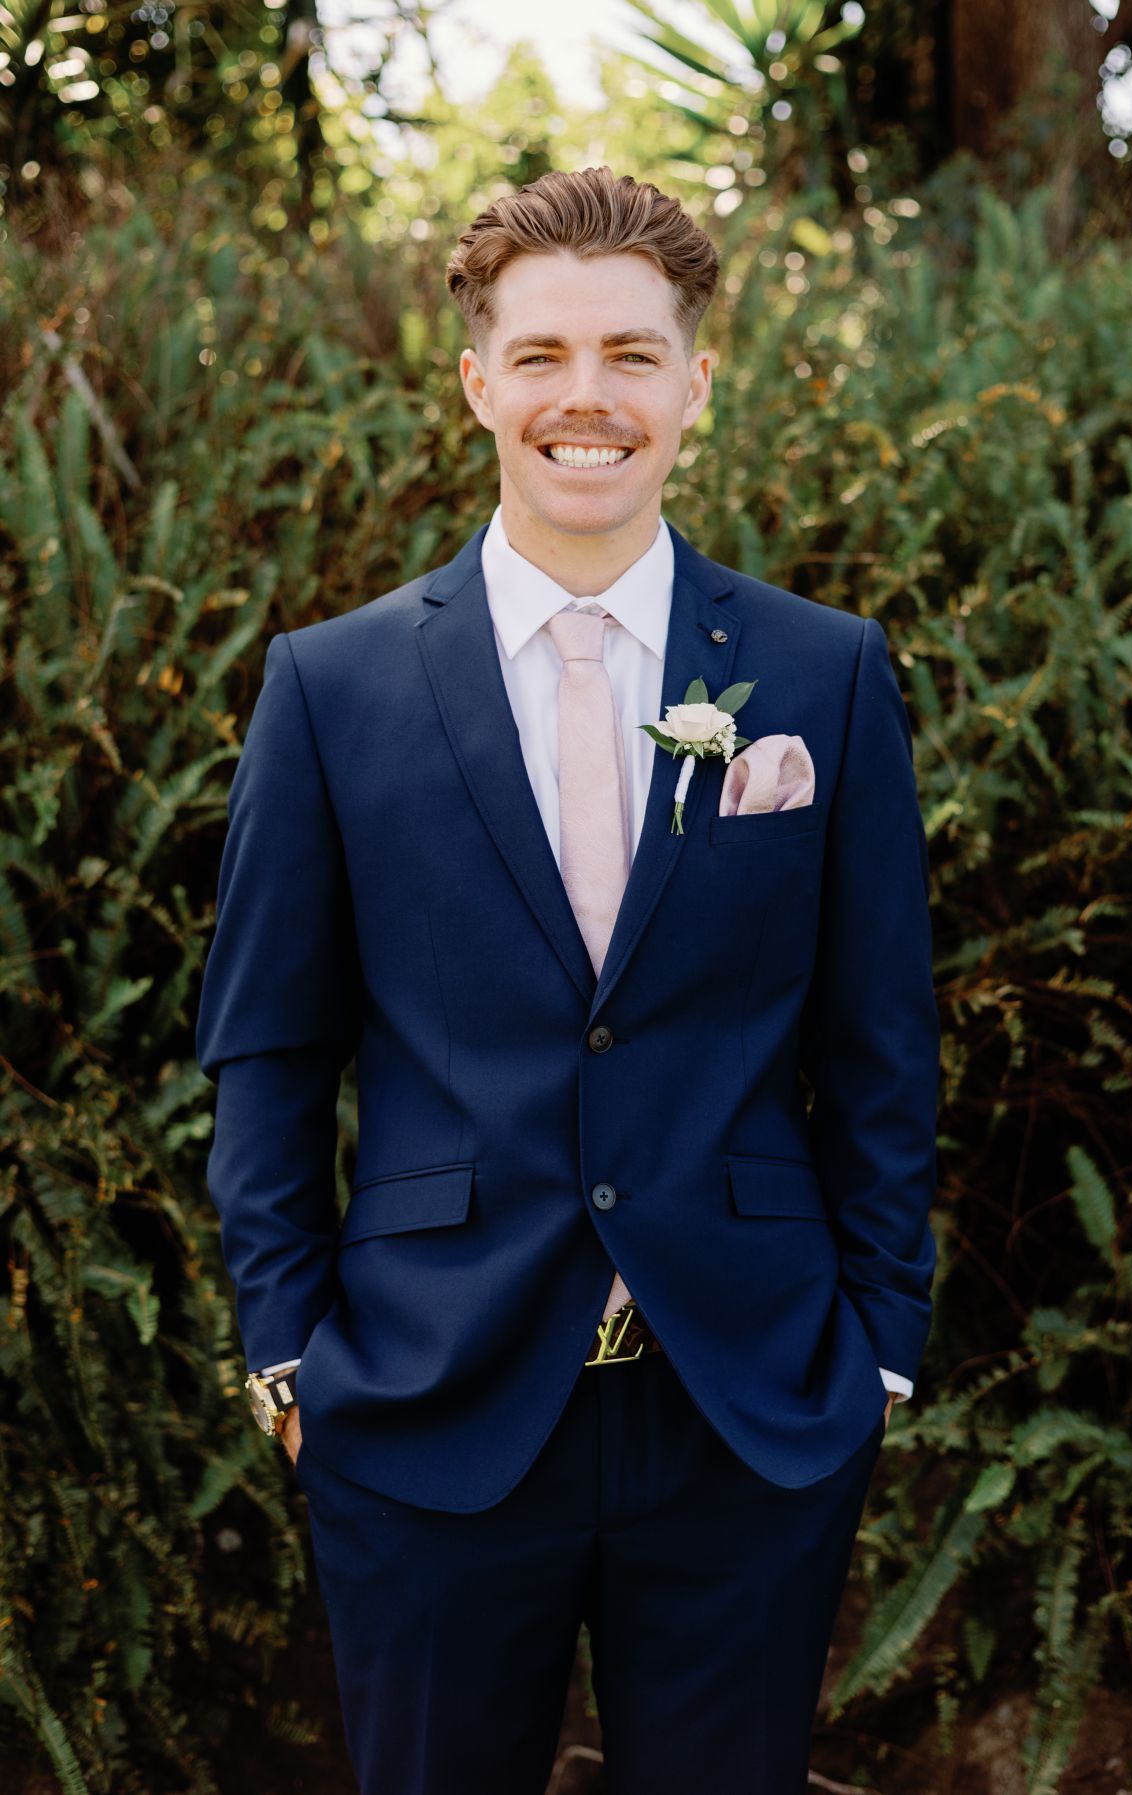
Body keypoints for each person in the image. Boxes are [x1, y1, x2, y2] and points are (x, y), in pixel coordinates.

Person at [195, 164, 940, 1795]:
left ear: (696, 384)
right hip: (426, 1397)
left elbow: (881, 1038)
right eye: (540, 357)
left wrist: (879, 1345)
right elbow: (267, 1047)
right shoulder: (332, 689)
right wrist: (289, 1355)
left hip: (748, 1402)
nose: (583, 399)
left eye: (629, 353)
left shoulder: (824, 672)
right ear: (477, 384)